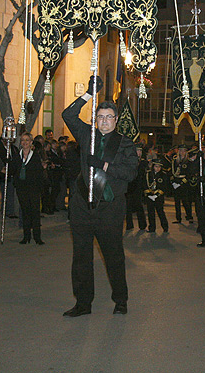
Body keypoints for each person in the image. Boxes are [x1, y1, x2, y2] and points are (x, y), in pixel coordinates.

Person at [62, 90, 137, 317]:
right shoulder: (87, 135)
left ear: (116, 120)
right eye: (100, 117)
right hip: (82, 207)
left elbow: (130, 173)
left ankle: (120, 300)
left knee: (113, 256)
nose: (104, 121)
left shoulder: (125, 144)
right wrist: (87, 93)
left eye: (108, 117)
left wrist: (104, 166)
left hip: (110, 209)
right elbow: (68, 115)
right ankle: (83, 303)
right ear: (96, 119)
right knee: (81, 257)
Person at [10, 132, 45, 244]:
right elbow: (13, 170)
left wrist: (39, 188)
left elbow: (39, 173)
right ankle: (26, 236)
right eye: (23, 140)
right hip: (22, 188)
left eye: (27, 140)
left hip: (33, 188)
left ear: (31, 143)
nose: (25, 142)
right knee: (25, 212)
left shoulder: (35, 156)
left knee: (35, 212)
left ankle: (37, 237)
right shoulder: (17, 156)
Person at [125, 144, 148, 231]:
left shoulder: (143, 163)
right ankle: (129, 224)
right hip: (129, 186)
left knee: (139, 206)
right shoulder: (129, 162)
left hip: (138, 187)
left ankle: (142, 225)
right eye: (137, 151)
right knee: (128, 206)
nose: (139, 153)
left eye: (140, 151)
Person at [143, 160, 170, 234]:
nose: (158, 168)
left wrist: (156, 195)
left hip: (158, 197)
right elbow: (145, 185)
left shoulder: (163, 175)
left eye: (159, 167)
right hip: (150, 197)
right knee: (150, 213)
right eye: (156, 166)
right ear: (153, 166)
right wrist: (149, 195)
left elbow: (164, 186)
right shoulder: (148, 174)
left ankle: (165, 227)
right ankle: (152, 227)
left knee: (160, 212)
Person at [171, 144, 194, 224]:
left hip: (184, 183)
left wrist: (181, 182)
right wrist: (173, 182)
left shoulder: (188, 161)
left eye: (184, 150)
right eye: (180, 150)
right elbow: (172, 171)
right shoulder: (175, 160)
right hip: (176, 181)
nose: (182, 152)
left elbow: (189, 174)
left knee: (185, 201)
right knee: (177, 201)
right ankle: (178, 218)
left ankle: (189, 216)